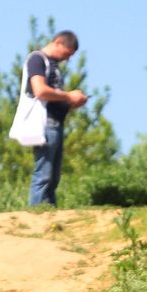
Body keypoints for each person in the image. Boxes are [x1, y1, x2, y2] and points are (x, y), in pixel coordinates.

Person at [25, 31, 87, 207]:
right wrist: (68, 96)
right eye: (67, 54)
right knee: (44, 174)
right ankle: (37, 216)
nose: (67, 59)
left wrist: (72, 102)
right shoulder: (37, 59)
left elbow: (52, 97)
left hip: (55, 124)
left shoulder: (52, 65)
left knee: (53, 177)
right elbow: (40, 90)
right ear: (58, 42)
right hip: (45, 124)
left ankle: (49, 215)